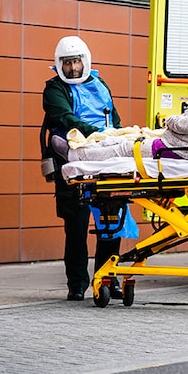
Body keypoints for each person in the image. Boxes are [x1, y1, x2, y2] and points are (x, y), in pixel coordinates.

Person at [42, 35, 124, 301]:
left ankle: (107, 278)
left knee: (110, 225)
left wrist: (119, 137)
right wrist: (95, 135)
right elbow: (64, 118)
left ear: (85, 61)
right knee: (76, 228)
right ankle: (77, 284)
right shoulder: (54, 90)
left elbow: (114, 118)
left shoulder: (101, 85)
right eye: (67, 63)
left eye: (76, 61)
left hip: (107, 161)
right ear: (59, 65)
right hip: (74, 162)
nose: (73, 68)